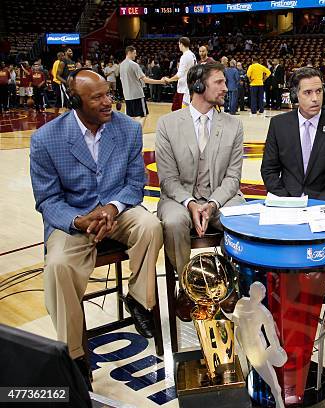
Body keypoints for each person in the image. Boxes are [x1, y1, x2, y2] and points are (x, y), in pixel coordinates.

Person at [29, 69, 163, 385]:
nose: (108, 102)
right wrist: (78, 220)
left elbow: (135, 183)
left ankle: (139, 299)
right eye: (98, 97)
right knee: (59, 265)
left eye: (108, 93)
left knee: (150, 225)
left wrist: (112, 208)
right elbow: (47, 201)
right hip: (73, 219)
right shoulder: (46, 140)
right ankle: (74, 354)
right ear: (76, 102)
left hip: (118, 211)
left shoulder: (128, 129)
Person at [155, 62, 245, 321]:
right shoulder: (167, 124)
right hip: (179, 197)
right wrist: (191, 203)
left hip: (221, 196)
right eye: (219, 82)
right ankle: (186, 287)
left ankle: (228, 284)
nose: (226, 88)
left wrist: (213, 204)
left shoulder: (233, 125)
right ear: (198, 86)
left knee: (238, 217)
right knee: (173, 222)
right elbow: (168, 179)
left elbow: (233, 177)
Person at [261, 67, 325, 202]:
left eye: (318, 91)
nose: (315, 98)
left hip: (324, 204)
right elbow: (269, 170)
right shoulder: (278, 124)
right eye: (308, 93)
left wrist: (320, 203)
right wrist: (286, 201)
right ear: (295, 95)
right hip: (286, 202)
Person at [119, 46, 166, 127]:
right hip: (137, 95)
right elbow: (145, 80)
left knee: (131, 117)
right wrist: (160, 81)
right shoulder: (134, 64)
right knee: (142, 116)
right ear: (129, 52)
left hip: (127, 96)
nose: (135, 55)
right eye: (134, 53)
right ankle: (138, 134)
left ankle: (132, 135)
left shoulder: (121, 65)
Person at [165, 37, 197, 111]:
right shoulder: (192, 55)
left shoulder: (185, 56)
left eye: (179, 44)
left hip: (184, 90)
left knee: (180, 113)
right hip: (187, 87)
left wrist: (169, 80)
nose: (178, 46)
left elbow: (179, 75)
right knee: (177, 111)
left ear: (181, 44)